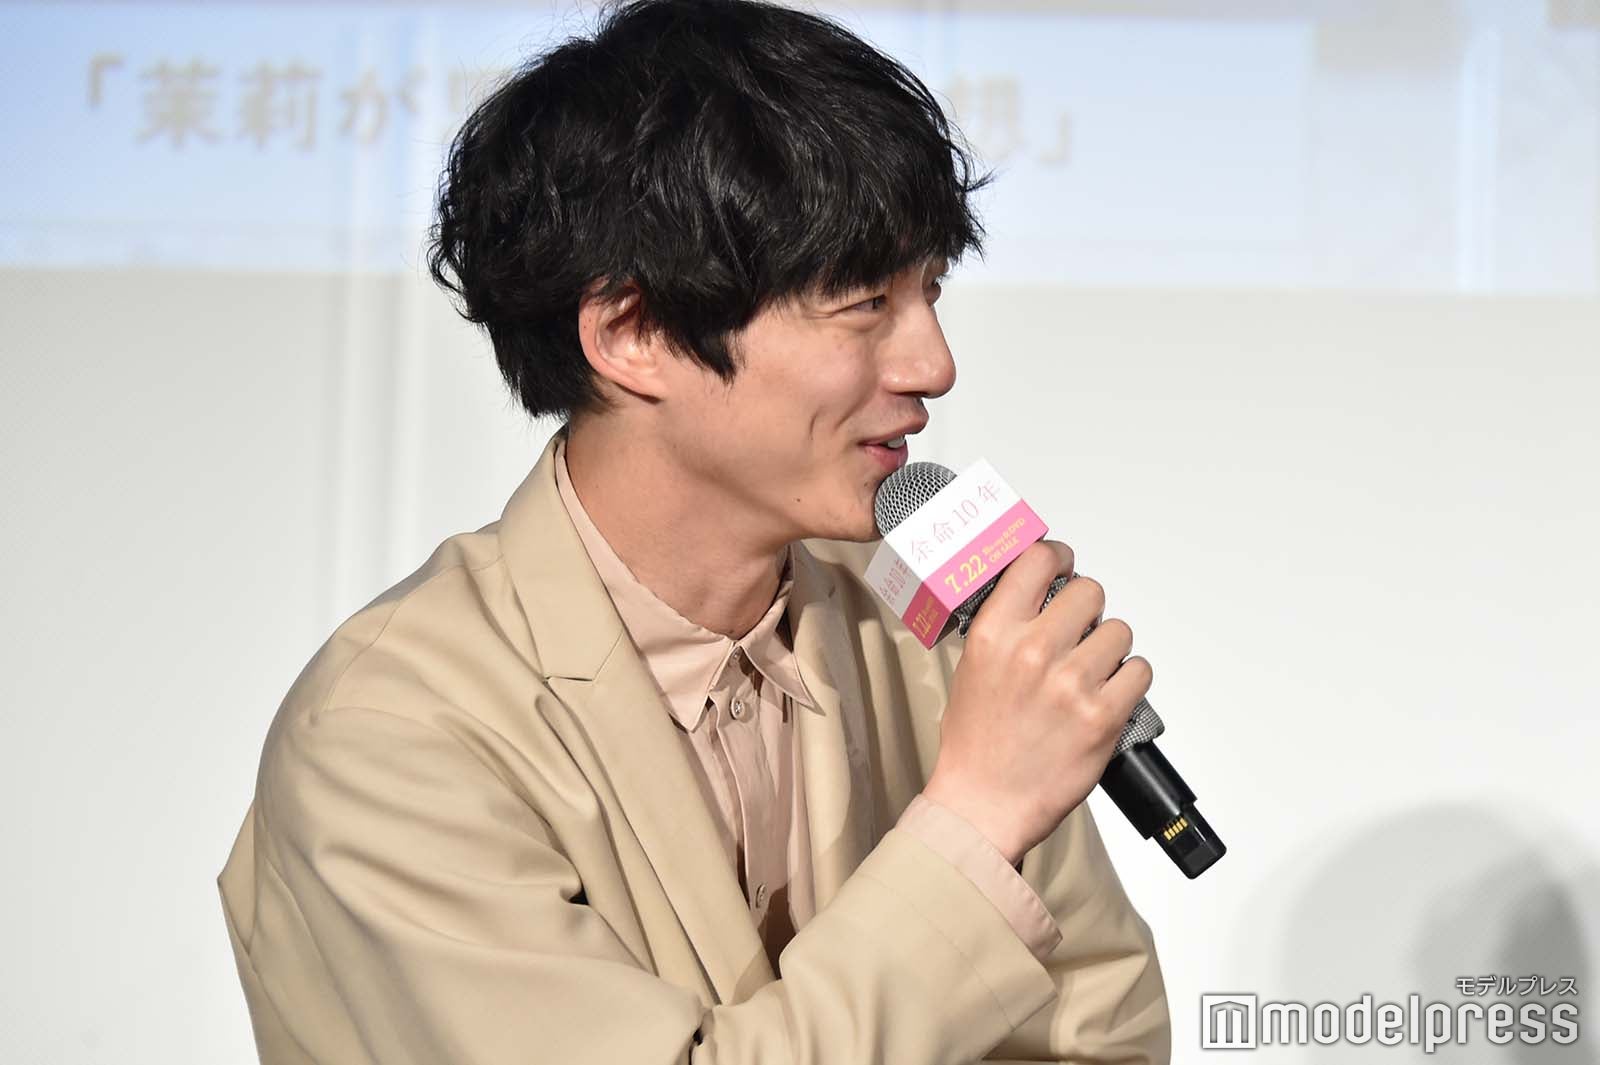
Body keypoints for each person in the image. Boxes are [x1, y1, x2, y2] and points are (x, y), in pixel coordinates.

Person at [216, 1, 1171, 1061]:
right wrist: (976, 816)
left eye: (930, 291)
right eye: (865, 302)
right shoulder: (389, 733)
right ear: (633, 334)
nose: (933, 365)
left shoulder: (932, 622)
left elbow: (1101, 1022)